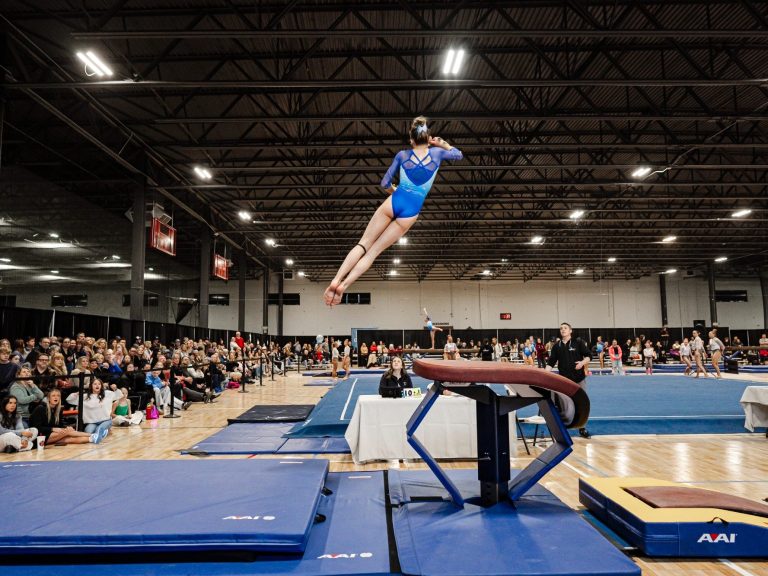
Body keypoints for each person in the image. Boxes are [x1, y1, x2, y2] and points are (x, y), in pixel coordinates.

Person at [324, 116, 463, 305]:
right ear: (428, 138)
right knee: (373, 252)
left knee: (363, 244)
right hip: (411, 211)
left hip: (395, 201)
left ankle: (336, 280)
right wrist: (442, 144)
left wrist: (393, 191)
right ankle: (344, 286)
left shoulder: (402, 155)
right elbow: (458, 154)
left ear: (411, 140)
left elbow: (384, 183)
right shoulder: (438, 154)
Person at [546, 322, 592, 438]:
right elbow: (551, 362)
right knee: (565, 405)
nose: (563, 330)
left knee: (582, 404)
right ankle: (563, 429)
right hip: (564, 382)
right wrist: (544, 374)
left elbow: (589, 356)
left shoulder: (578, 343)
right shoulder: (557, 346)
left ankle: (582, 428)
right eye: (561, 328)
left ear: (570, 330)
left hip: (579, 379)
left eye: (565, 328)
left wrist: (582, 363)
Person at [30, 388, 100, 445]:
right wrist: (52, 429)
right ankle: (92, 435)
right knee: (67, 432)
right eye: (53, 396)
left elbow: (60, 426)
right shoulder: (40, 408)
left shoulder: (58, 410)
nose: (56, 397)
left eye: (58, 396)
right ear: (48, 398)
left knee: (69, 439)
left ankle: (92, 438)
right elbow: (37, 428)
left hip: (53, 435)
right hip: (39, 436)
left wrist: (67, 427)